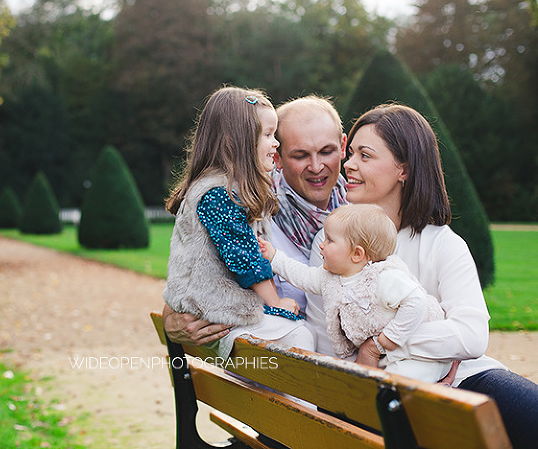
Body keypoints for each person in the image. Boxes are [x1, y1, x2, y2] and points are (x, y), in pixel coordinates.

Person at [325, 103, 538, 448]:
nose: (348, 164)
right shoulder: (333, 243)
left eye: (365, 155)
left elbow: (471, 336)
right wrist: (432, 350)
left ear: (404, 170)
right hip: (382, 394)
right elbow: (333, 338)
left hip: (468, 378)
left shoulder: (442, 244)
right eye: (352, 154)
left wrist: (378, 344)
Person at [162, 94, 348, 352]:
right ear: (279, 159)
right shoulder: (244, 200)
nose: (316, 166)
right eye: (300, 155)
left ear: (343, 146)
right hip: (290, 369)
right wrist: (170, 321)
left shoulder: (360, 211)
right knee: (299, 338)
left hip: (335, 367)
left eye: (326, 151)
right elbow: (234, 261)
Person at [259, 203, 450, 382]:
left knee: (394, 384)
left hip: (424, 351)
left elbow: (416, 301)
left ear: (357, 254)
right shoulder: (330, 278)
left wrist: (388, 339)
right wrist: (275, 257)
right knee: (376, 383)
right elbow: (303, 275)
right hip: (392, 354)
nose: (321, 245)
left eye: (330, 240)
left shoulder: (383, 277)